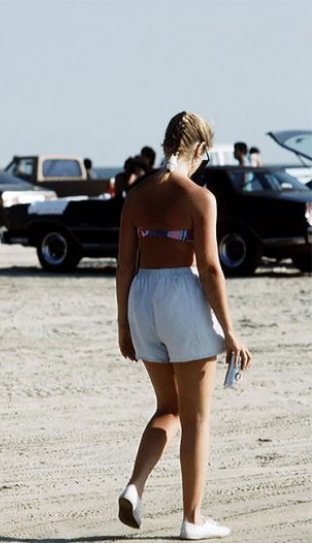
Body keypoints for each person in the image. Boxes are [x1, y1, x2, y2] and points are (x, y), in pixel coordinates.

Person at [115, 111, 252, 540]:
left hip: (142, 298)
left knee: (167, 408)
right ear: (199, 149)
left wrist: (123, 323)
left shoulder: (135, 196)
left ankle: (135, 486)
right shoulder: (199, 196)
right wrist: (230, 331)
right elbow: (210, 268)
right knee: (196, 418)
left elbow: (123, 265)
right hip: (180, 297)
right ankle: (193, 519)